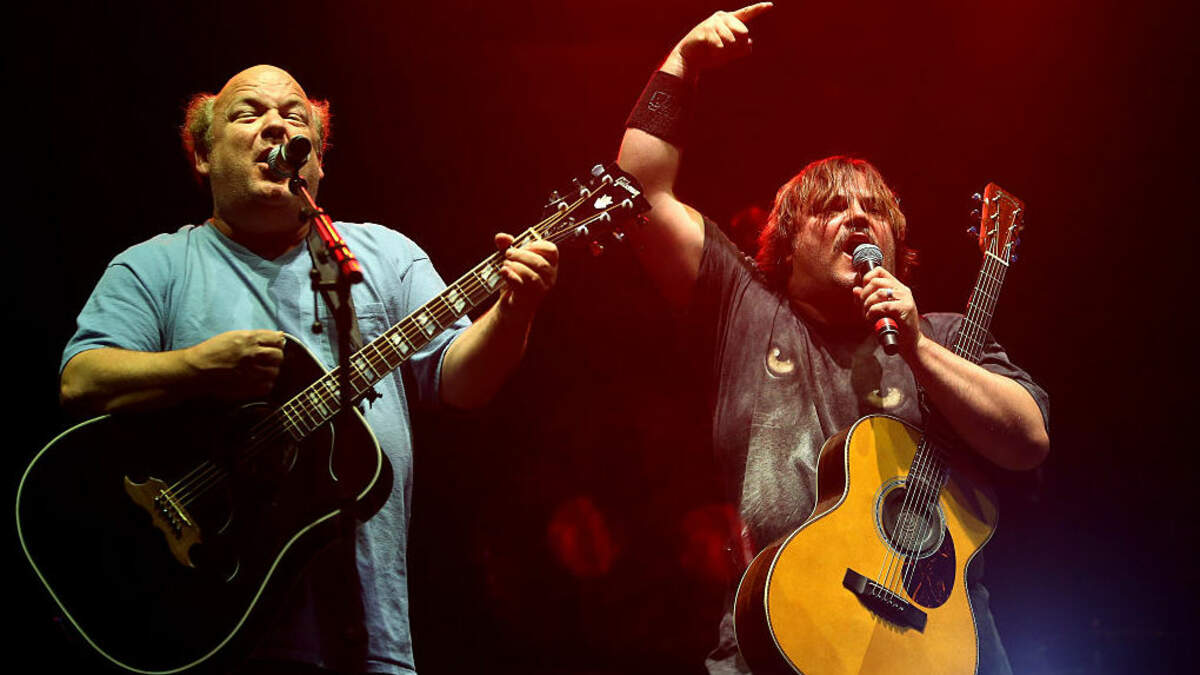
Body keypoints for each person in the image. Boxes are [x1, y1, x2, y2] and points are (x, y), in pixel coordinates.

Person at [58, 65, 558, 675]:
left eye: (295, 119)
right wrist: (195, 367)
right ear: (204, 156)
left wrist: (513, 311)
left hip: (369, 637)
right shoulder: (154, 266)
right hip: (213, 626)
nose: (277, 126)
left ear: (315, 160)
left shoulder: (386, 256)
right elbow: (82, 380)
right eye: (249, 114)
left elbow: (461, 384)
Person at [615, 4, 1049, 674]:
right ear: (787, 245)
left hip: (941, 651)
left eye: (874, 209)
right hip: (775, 640)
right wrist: (683, 62)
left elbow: (1028, 441)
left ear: (897, 242)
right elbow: (637, 192)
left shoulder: (947, 336)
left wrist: (918, 348)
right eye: (831, 208)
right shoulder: (743, 308)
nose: (857, 218)